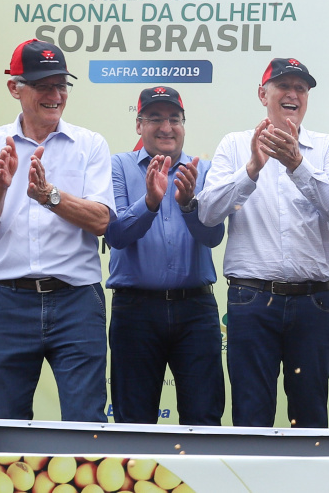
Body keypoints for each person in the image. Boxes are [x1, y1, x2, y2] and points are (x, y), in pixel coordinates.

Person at [197, 58, 329, 428]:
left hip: (312, 302)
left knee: (311, 415)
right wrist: (252, 168)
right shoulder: (235, 145)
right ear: (263, 93)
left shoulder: (326, 147)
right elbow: (208, 213)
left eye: (301, 88)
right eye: (284, 86)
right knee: (251, 415)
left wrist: (297, 164)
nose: (293, 94)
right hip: (251, 302)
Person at [0, 39, 114, 421]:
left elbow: (101, 220)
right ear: (15, 88)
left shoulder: (90, 144)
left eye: (61, 85)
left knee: (87, 426)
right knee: (1, 426)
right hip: (8, 303)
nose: (55, 95)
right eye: (43, 85)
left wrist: (49, 196)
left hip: (76, 303)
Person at [105, 86, 226, 425]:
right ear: (139, 125)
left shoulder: (204, 170)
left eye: (175, 118)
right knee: (134, 422)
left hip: (196, 311)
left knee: (204, 419)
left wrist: (189, 204)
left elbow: (214, 236)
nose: (166, 127)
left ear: (184, 124)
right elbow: (115, 235)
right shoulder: (118, 166)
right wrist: (150, 202)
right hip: (135, 311)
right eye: (155, 118)